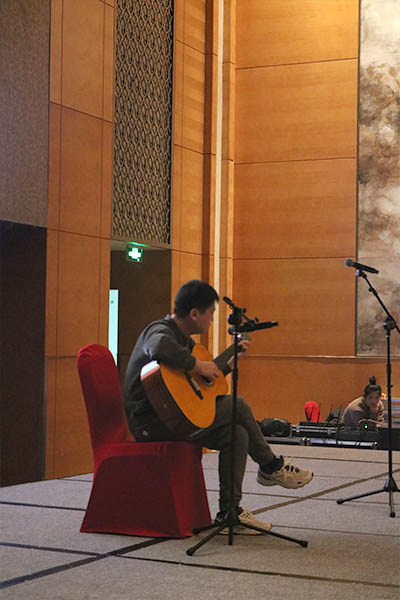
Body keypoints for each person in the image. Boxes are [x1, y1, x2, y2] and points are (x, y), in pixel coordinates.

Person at [124, 280, 313, 535]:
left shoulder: (185, 342)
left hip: (175, 416)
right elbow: (158, 347)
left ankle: (229, 512)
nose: (212, 320)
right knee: (238, 405)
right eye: (211, 313)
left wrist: (228, 363)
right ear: (194, 313)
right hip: (152, 423)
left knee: (236, 433)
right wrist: (196, 364)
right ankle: (271, 466)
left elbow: (196, 386)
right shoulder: (159, 330)